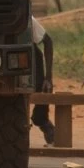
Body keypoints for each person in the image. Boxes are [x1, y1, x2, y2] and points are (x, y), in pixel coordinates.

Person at [27, 16, 57, 145]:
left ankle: (47, 128)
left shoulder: (26, 18)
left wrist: (48, 77)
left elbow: (47, 41)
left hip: (32, 62)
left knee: (43, 92)